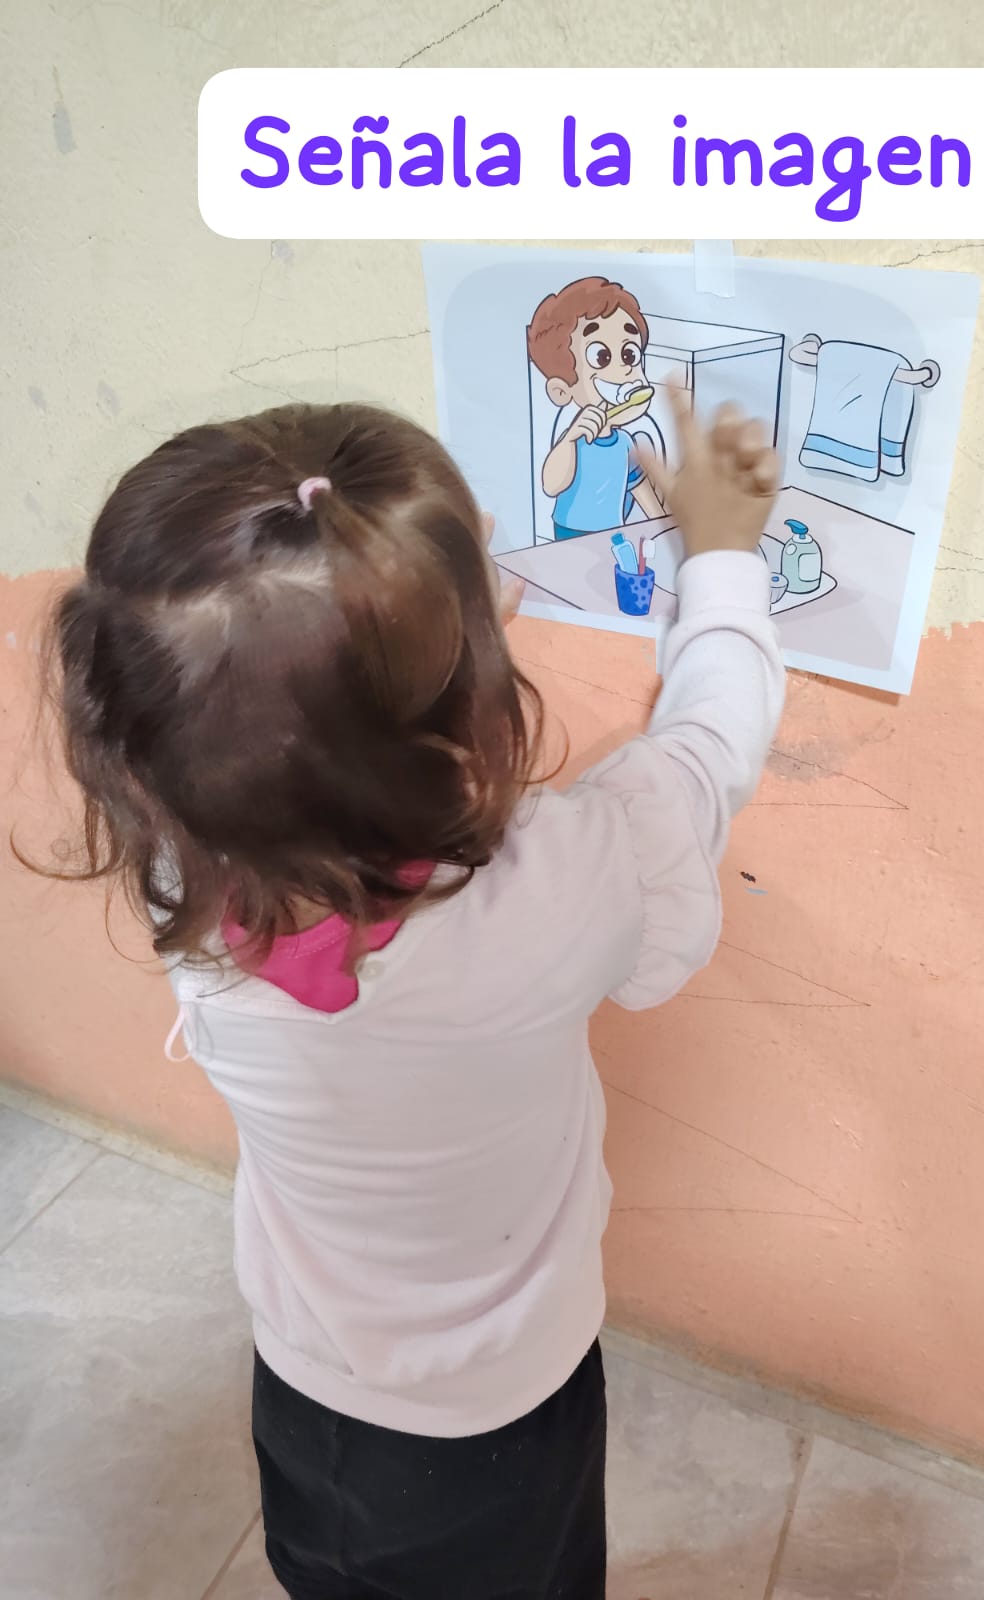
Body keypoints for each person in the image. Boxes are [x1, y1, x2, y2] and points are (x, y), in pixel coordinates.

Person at [32, 386, 785, 1599]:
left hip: (306, 1382)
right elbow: (708, 748)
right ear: (472, 714)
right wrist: (725, 559)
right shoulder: (568, 882)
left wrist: (429, 650)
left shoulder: (183, 870)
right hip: (499, 1414)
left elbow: (269, 719)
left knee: (329, 1573)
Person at [528, 275, 664, 539]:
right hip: (569, 532)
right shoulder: (574, 440)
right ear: (561, 390)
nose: (624, 368)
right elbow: (551, 485)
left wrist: (666, 527)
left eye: (630, 355)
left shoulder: (625, 442)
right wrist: (569, 439)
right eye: (602, 357)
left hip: (614, 532)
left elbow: (639, 488)